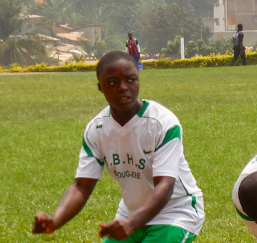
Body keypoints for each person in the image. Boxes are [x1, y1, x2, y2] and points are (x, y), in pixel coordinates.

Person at [32, 51, 205, 242]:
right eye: (112, 82)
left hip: (175, 212)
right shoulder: (97, 129)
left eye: (130, 80)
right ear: (100, 87)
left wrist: (131, 224)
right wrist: (56, 220)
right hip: (129, 214)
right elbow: (81, 186)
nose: (123, 88)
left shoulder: (162, 123)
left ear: (139, 80)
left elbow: (165, 186)